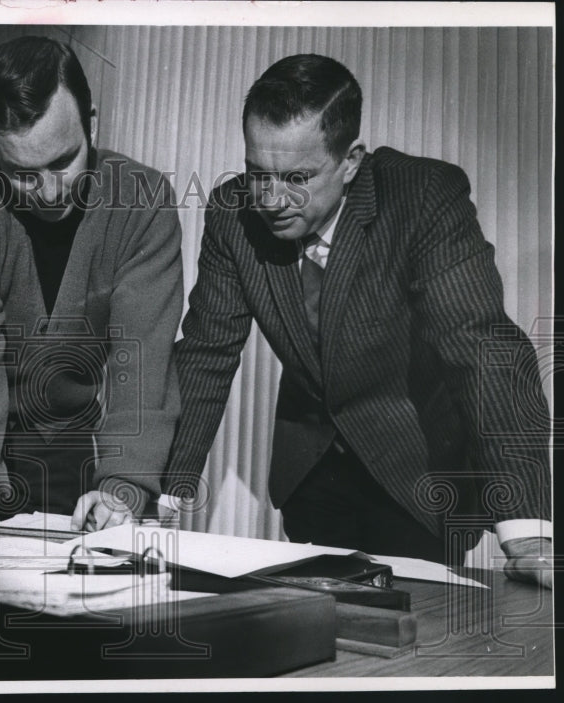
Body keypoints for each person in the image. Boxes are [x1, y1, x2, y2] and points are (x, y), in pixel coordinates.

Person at [166, 54, 551, 586]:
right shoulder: (234, 214)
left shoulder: (422, 198)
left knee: (415, 626)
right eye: (258, 175)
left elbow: (484, 352)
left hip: (417, 477)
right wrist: (157, 493)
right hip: (311, 478)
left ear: (350, 161)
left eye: (297, 177)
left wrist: (528, 533)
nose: (271, 200)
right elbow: (206, 353)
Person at [0, 36, 183, 533]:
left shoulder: (143, 202)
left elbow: (143, 360)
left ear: (91, 124)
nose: (49, 191)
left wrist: (123, 485)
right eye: (21, 173)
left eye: (63, 162)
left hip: (68, 446)